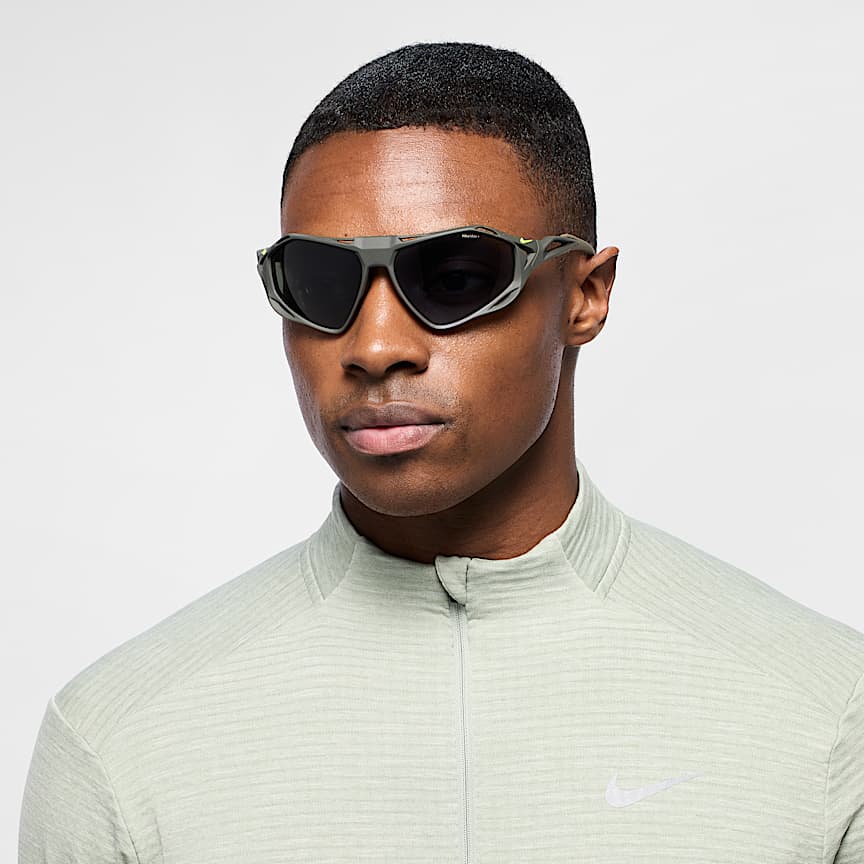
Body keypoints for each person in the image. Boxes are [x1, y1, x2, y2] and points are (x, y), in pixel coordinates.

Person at [19, 41, 864, 863]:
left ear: (585, 295)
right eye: (320, 283)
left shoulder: (829, 715)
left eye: (455, 278)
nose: (375, 346)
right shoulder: (116, 742)